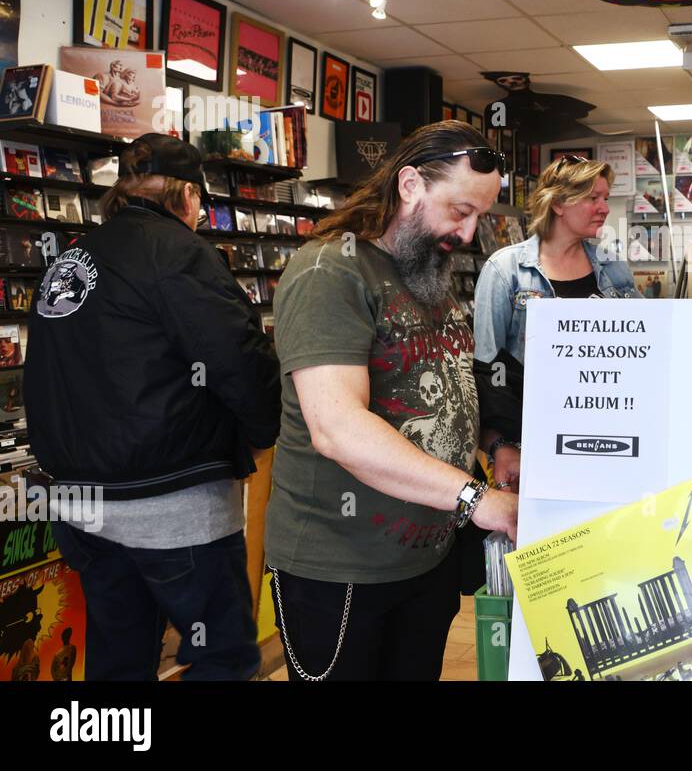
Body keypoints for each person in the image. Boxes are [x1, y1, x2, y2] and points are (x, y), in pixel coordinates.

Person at [265, 121, 518, 682]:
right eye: (459, 211)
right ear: (409, 186)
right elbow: (337, 427)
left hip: (425, 559)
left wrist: (495, 444)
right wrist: (477, 501)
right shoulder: (330, 270)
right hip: (341, 568)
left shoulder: (425, 272)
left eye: (480, 217)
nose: (469, 234)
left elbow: (445, 380)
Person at [25, 133, 281, 680]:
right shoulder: (180, 252)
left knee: (119, 660)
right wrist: (263, 432)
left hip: (81, 506)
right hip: (170, 507)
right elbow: (237, 358)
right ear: (188, 197)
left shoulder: (69, 260)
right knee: (222, 657)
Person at [473, 155, 641, 488]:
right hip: (530, 445)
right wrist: (498, 446)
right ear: (559, 204)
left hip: (608, 439)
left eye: (605, 198)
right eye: (593, 198)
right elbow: (485, 372)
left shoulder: (613, 269)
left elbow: (642, 351)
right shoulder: (505, 271)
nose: (604, 208)